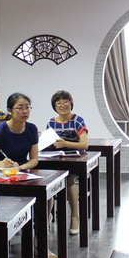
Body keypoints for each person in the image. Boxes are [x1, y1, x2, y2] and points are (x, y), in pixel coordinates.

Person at [0, 93, 57, 258]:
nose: (25, 111)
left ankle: (39, 241)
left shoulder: (31, 129)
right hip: (3, 174)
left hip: (23, 172)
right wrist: (0, 164)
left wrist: (20, 167)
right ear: (9, 110)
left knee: (47, 196)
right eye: (20, 108)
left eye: (27, 107)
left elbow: (34, 159)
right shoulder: (0, 131)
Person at [46, 90, 89, 235]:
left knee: (69, 179)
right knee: (47, 181)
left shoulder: (77, 120)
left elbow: (84, 145)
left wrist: (65, 143)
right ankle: (47, 215)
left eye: (65, 102)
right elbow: (49, 144)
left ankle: (74, 215)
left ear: (71, 103)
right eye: (58, 103)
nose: (62, 105)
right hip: (56, 158)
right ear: (54, 106)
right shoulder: (51, 122)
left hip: (74, 159)